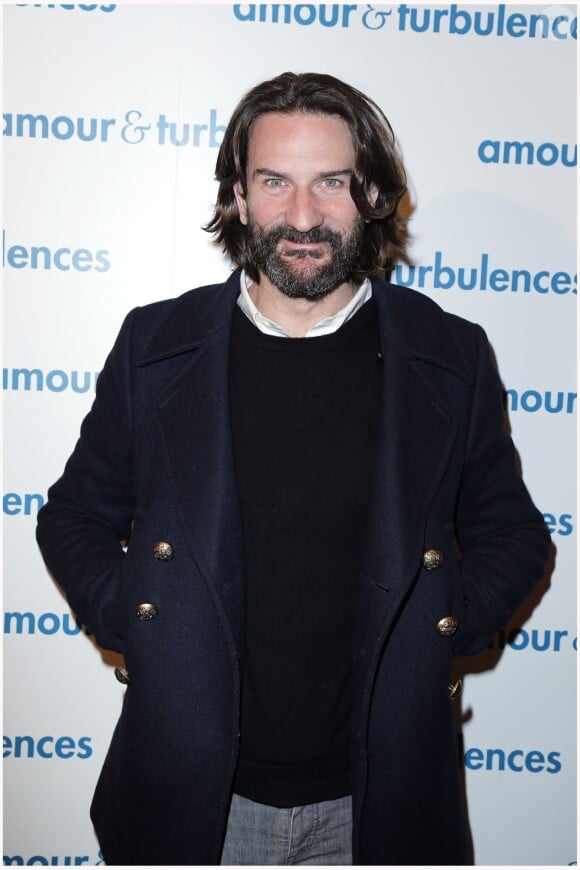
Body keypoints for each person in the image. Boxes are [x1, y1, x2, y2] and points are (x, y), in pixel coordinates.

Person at [36, 71, 550, 866]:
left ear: (372, 192)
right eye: (275, 182)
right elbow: (73, 517)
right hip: (195, 798)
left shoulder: (450, 356)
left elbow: (513, 533)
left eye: (331, 183)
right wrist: (140, 619)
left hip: (380, 802)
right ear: (238, 195)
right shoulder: (155, 348)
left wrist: (443, 616)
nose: (302, 217)